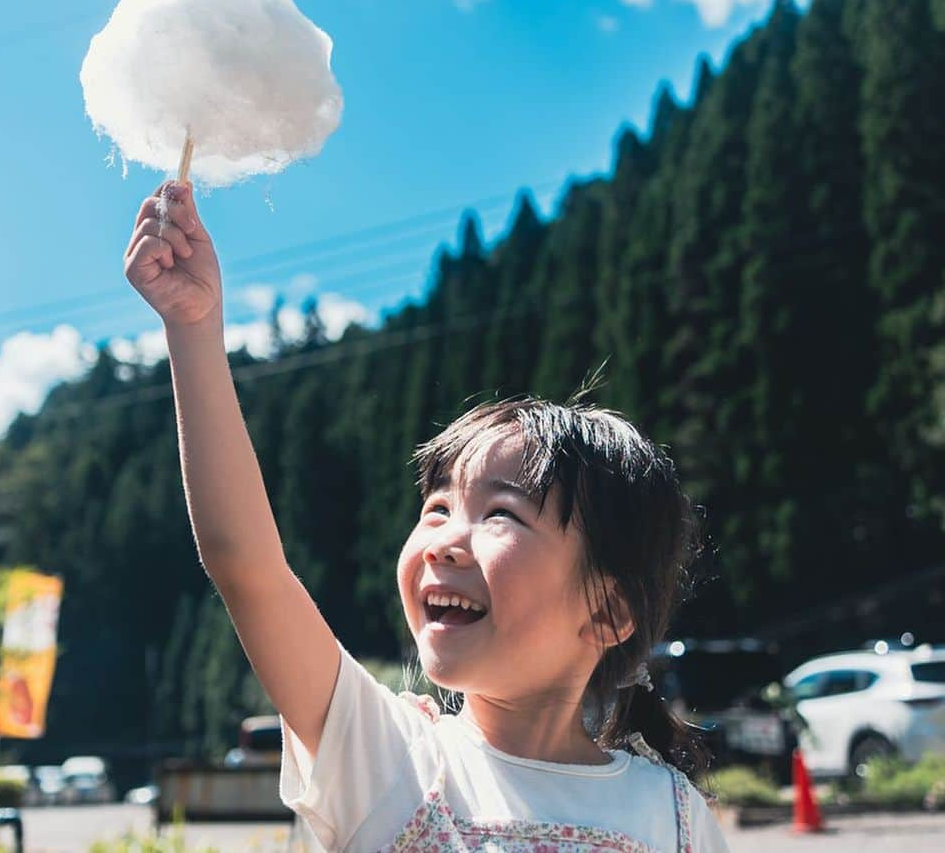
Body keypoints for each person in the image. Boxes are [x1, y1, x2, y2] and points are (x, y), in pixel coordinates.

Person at [126, 181, 730, 852]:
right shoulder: (390, 759)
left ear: (607, 613)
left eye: (500, 513)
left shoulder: (671, 816)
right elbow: (248, 568)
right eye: (437, 509)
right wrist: (193, 327)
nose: (444, 540)